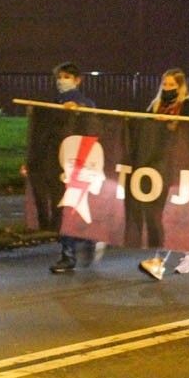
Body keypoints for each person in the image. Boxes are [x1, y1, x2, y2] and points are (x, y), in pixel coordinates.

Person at [136, 69, 189, 281]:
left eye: (172, 86)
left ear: (181, 87)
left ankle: (159, 261)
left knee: (170, 213)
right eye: (164, 85)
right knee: (169, 213)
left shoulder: (187, 107)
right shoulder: (155, 105)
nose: (167, 89)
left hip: (180, 166)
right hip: (158, 165)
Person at [42, 62, 105, 274]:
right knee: (67, 209)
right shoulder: (53, 103)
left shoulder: (85, 103)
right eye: (59, 76)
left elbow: (92, 126)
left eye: (67, 76)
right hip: (59, 162)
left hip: (78, 164)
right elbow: (46, 135)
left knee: (69, 207)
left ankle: (69, 254)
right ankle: (87, 239)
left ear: (78, 80)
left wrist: (77, 112)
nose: (62, 80)